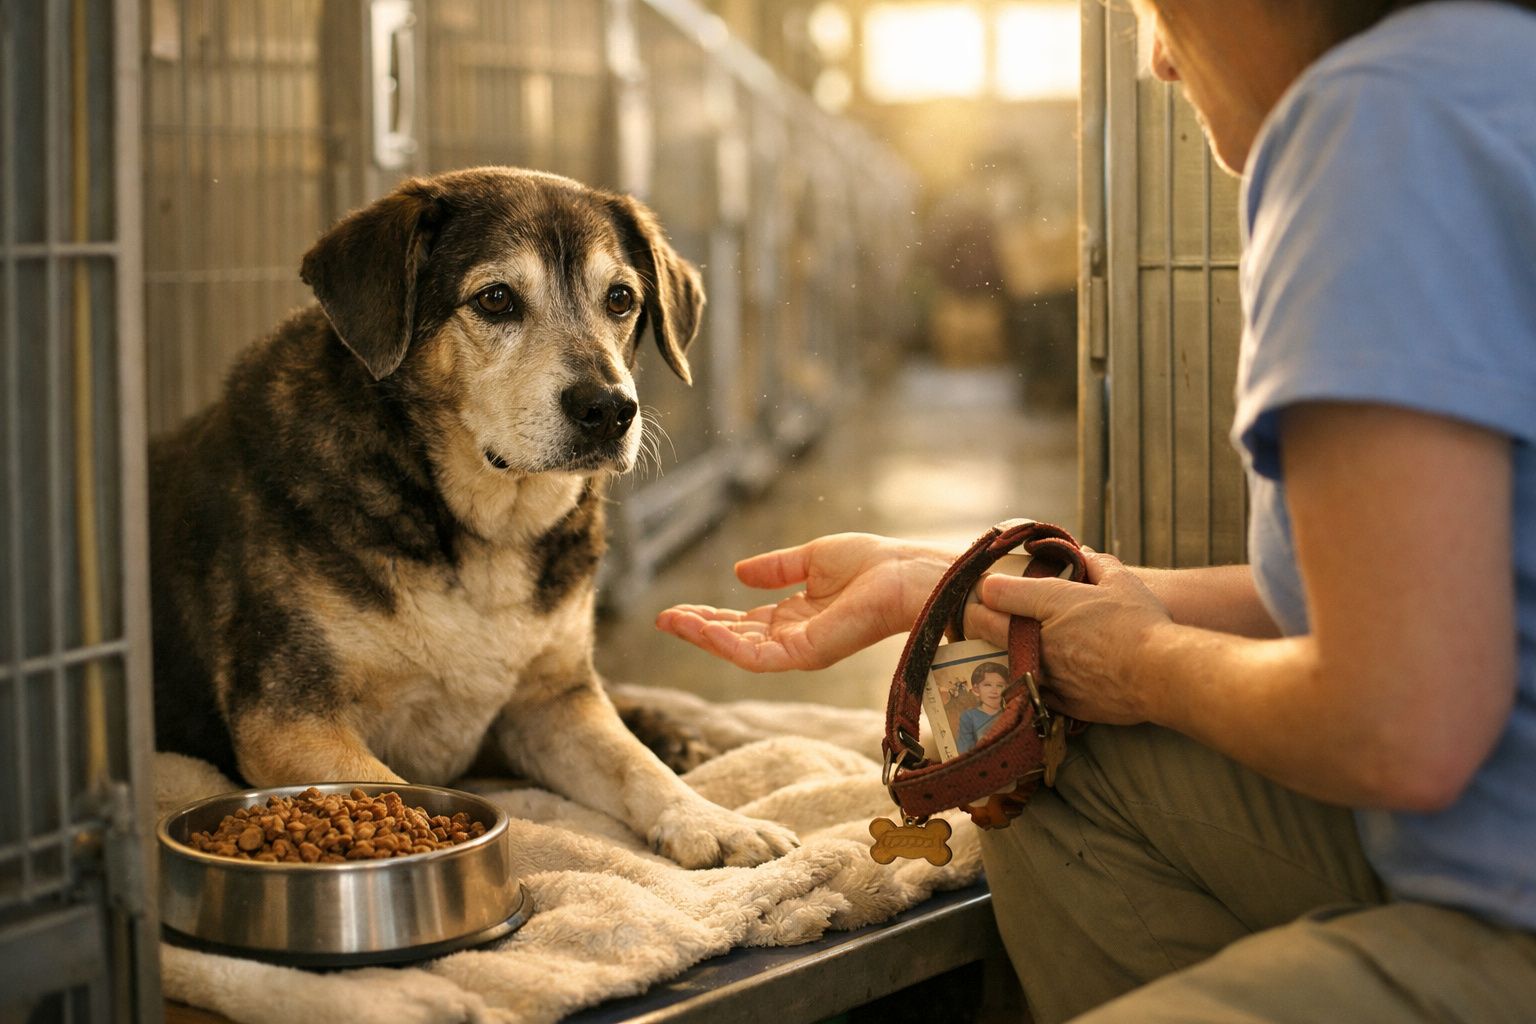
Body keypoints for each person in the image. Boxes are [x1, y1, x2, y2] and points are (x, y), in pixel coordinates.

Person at [656, 0, 1536, 1019]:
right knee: (1037, 748)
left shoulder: (1373, 120)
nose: (1156, 56)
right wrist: (947, 582)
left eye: (1149, 9)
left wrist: (1144, 663)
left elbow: (1403, 725)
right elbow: (1411, 590)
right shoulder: (1492, 71)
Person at [956, 662, 1010, 753]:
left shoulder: (1010, 711)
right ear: (976, 689)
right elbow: (964, 751)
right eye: (987, 685)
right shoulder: (969, 717)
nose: (994, 691)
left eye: (1000, 686)